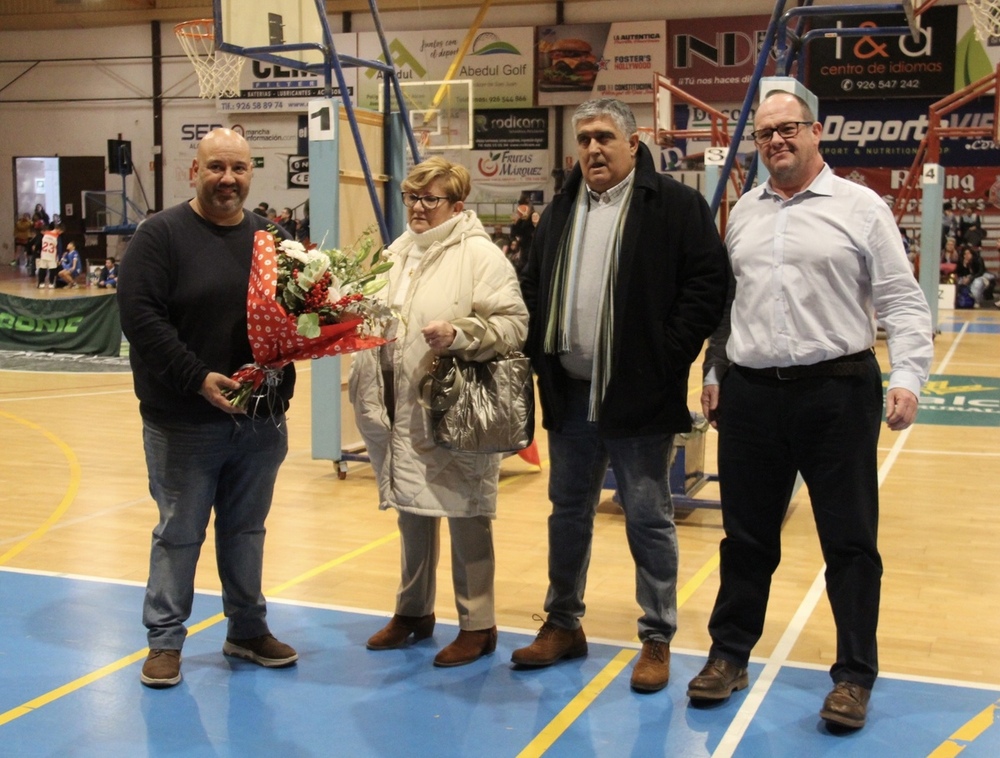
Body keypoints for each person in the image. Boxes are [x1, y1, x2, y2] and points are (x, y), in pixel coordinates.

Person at [687, 91, 933, 730]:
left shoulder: (860, 207)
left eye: (787, 129)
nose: (775, 141)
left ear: (815, 132)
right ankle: (728, 655)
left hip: (837, 391)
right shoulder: (743, 211)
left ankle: (854, 676)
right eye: (765, 133)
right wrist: (716, 368)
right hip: (751, 395)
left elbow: (902, 302)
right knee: (745, 538)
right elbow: (729, 303)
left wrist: (908, 376)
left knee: (849, 543)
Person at [513, 98, 729, 693]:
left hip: (639, 394)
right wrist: (536, 348)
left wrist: (667, 353)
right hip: (570, 393)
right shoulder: (560, 210)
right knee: (569, 513)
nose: (592, 149)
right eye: (583, 139)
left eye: (604, 137)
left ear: (634, 144)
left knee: (648, 516)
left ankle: (656, 636)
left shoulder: (675, 206)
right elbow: (532, 284)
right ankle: (563, 623)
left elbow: (710, 284)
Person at [118, 128, 298, 689]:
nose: (228, 179)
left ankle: (246, 629)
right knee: (179, 534)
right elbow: (141, 319)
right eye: (216, 167)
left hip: (259, 423)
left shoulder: (273, 238)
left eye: (239, 169)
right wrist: (197, 379)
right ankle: (166, 641)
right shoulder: (159, 236)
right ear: (194, 172)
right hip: (184, 422)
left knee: (246, 531)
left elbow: (296, 318)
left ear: (251, 174)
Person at [349, 157, 528, 668]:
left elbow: (513, 324)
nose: (419, 207)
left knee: (467, 513)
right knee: (411, 510)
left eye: (431, 199)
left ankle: (478, 624)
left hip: (455, 408)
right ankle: (413, 613)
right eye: (412, 197)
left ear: (458, 205)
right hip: (399, 408)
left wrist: (460, 334)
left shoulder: (480, 256)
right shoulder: (399, 251)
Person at [36, 223, 61, 289]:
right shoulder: (57, 237)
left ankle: (41, 283)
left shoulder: (45, 234)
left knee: (42, 269)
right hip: (52, 255)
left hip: (44, 254)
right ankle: (51, 283)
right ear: (59, 230)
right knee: (52, 269)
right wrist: (59, 257)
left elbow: (40, 244)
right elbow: (59, 248)